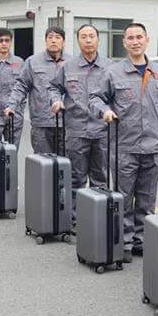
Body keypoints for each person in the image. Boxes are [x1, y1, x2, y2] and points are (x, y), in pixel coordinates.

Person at [89, 22, 158, 263]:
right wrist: (104, 111)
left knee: (148, 198)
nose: (135, 42)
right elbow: (94, 98)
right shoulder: (113, 72)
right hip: (124, 146)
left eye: (139, 37)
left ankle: (142, 240)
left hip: (153, 146)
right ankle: (123, 242)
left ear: (147, 40)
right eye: (130, 38)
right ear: (124, 43)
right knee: (124, 197)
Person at [48, 24, 114, 226]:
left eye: (92, 36)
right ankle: (76, 221)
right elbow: (53, 87)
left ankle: (100, 219)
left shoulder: (111, 67)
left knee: (100, 178)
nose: (88, 40)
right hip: (76, 130)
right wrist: (56, 100)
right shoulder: (68, 66)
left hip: (103, 131)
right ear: (78, 41)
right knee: (76, 179)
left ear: (98, 39)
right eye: (83, 36)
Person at [5, 27, 71, 153]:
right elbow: (21, 86)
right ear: (45, 41)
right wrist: (12, 105)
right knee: (43, 165)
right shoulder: (33, 62)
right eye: (50, 37)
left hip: (67, 123)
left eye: (57, 38)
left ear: (63, 42)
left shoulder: (71, 62)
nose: (53, 41)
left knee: (66, 165)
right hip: (41, 123)